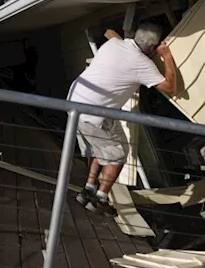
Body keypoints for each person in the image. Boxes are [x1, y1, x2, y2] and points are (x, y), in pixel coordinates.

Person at [67, 22, 178, 213]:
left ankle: (88, 189)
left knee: (99, 149)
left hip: (75, 104)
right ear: (152, 48)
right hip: (96, 114)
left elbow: (109, 32)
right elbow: (170, 87)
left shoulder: (114, 44)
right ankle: (99, 199)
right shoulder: (143, 64)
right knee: (117, 155)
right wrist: (166, 56)